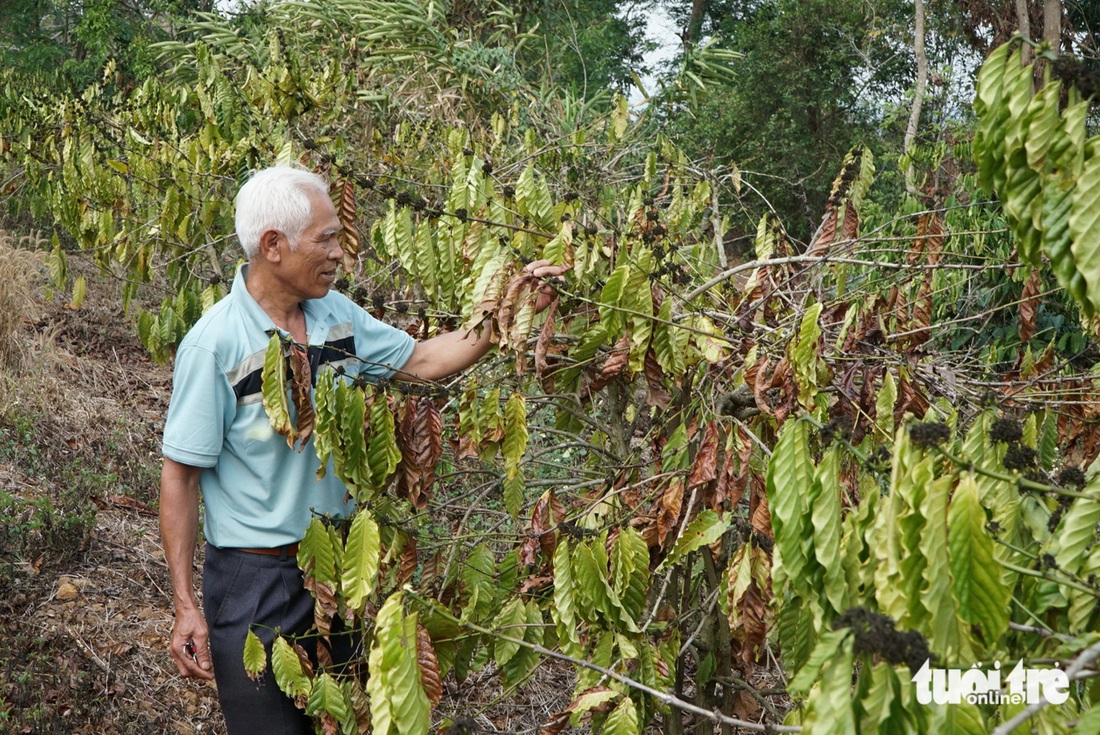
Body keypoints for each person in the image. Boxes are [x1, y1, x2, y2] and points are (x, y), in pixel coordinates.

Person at [159, 165, 564, 734]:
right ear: (273, 246)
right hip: (256, 581)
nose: (339, 253)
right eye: (326, 238)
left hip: (340, 569)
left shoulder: (337, 317)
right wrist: (184, 603)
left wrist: (509, 307)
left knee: (343, 721)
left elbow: (421, 361)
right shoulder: (215, 345)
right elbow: (180, 476)